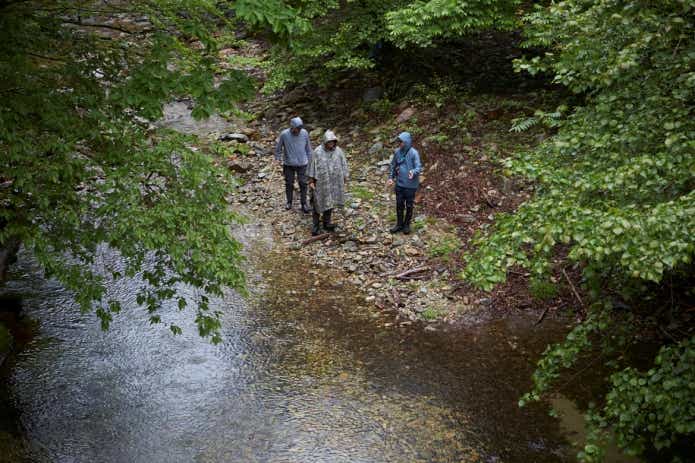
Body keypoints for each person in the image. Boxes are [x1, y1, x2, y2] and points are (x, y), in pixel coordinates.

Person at [307, 130, 349, 236]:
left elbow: (343, 164)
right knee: (317, 203)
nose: (331, 144)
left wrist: (345, 176)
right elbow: (312, 166)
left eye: (333, 142)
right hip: (321, 183)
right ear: (325, 142)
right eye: (329, 142)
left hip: (334, 183)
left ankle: (327, 223)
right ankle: (315, 226)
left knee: (330, 202)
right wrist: (311, 180)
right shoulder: (317, 152)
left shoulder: (338, 151)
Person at [387, 131, 422, 234]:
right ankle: (399, 224)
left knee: (409, 205)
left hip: (411, 185)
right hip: (400, 184)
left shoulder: (414, 153)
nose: (400, 143)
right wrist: (391, 178)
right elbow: (393, 165)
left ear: (407, 142)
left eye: (401, 142)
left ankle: (406, 225)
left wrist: (413, 172)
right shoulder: (397, 152)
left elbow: (418, 167)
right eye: (399, 141)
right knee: (399, 204)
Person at [275, 117, 312, 212]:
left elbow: (308, 149)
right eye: (297, 128)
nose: (299, 130)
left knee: (303, 183)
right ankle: (289, 202)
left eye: (300, 128)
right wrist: (277, 159)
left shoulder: (304, 133)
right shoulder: (284, 134)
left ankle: (304, 203)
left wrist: (311, 160)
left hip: (302, 163)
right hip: (288, 164)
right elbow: (278, 149)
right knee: (289, 183)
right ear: (292, 127)